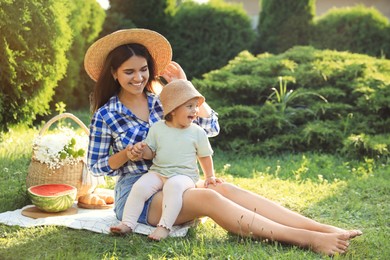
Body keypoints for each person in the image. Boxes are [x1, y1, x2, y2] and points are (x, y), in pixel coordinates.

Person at [85, 28, 362, 256]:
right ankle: (305, 239)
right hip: (139, 194)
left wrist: (186, 86)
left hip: (177, 180)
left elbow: (210, 126)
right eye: (129, 72)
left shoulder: (163, 100)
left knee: (223, 187)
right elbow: (96, 166)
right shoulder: (107, 114)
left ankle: (322, 229)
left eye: (143, 69)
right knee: (206, 196)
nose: (138, 77)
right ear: (114, 74)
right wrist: (125, 155)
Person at [110, 79, 224, 240]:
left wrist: (210, 176)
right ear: (173, 109)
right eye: (190, 106)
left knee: (173, 186)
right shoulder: (158, 128)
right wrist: (143, 152)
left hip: (183, 176)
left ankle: (164, 227)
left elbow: (205, 156)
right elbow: (152, 152)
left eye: (196, 106)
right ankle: (127, 223)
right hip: (158, 172)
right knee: (140, 187)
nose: (195, 110)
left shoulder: (197, 132)